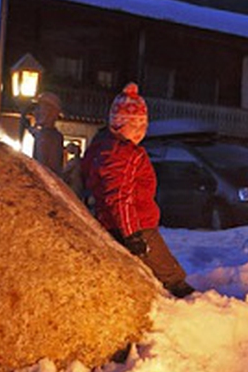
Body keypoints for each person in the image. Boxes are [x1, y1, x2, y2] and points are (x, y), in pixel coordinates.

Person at [79, 83, 194, 298]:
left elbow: (89, 180)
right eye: (135, 125)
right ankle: (187, 300)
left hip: (113, 223)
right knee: (168, 271)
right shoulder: (128, 154)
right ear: (119, 125)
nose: (141, 131)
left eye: (144, 125)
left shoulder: (101, 149)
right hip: (138, 225)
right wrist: (132, 233)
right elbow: (120, 196)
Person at [27, 92, 68, 178]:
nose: (35, 112)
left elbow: (44, 168)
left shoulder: (46, 136)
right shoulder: (52, 136)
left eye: (40, 108)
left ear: (51, 112)